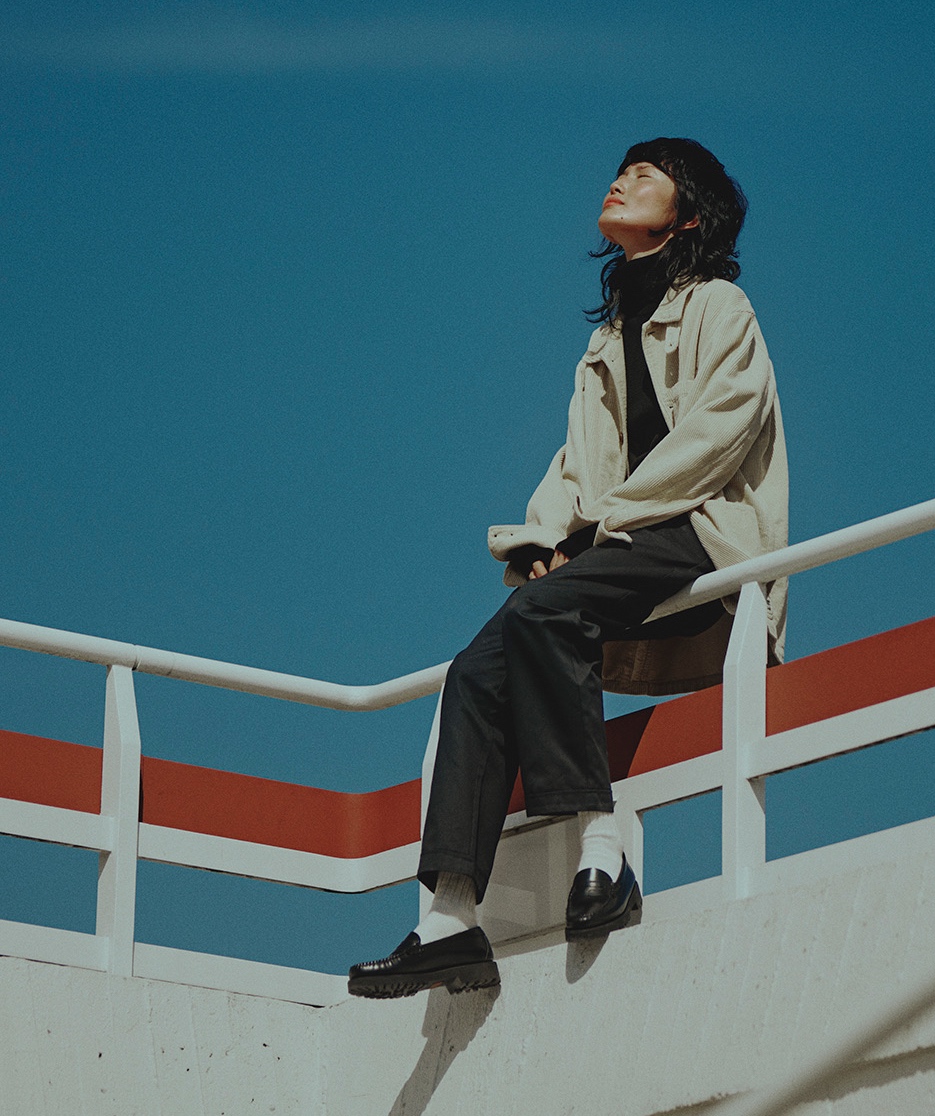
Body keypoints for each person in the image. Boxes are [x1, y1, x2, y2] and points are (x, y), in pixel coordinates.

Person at [348, 138, 788, 999]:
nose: (621, 180)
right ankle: (450, 918)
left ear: (688, 216)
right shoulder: (608, 337)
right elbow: (577, 463)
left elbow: (721, 430)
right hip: (626, 539)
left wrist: (605, 524)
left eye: (647, 175)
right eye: (621, 170)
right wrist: (546, 535)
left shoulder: (719, 305)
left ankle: (601, 849)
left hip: (703, 528)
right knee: (476, 669)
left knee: (541, 614)